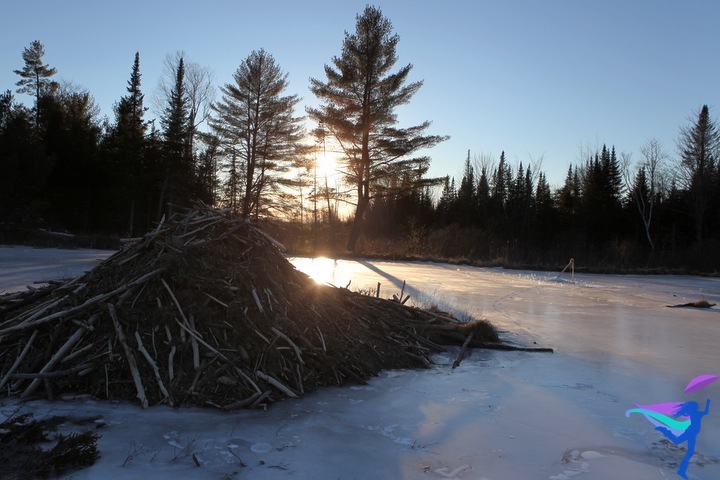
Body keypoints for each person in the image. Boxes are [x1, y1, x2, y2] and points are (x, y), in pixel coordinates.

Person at [655, 399, 711, 479]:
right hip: (691, 433)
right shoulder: (697, 413)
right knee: (687, 449)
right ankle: (665, 431)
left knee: (682, 445)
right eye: (697, 406)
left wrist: (707, 404)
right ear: (694, 408)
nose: (698, 407)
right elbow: (706, 412)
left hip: (692, 433)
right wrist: (708, 404)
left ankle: (681, 470)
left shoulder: (694, 413)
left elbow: (705, 413)